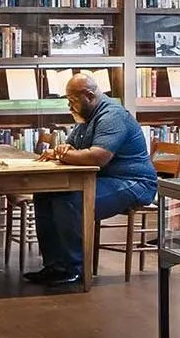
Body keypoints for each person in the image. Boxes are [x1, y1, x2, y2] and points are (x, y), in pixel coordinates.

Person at [25, 73, 158, 286]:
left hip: (133, 182)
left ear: (89, 95)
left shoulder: (112, 115)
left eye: (73, 100)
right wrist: (65, 149)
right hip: (105, 180)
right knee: (44, 194)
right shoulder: (87, 117)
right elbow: (72, 147)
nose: (70, 105)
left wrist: (62, 154)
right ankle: (54, 265)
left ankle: (74, 268)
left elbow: (98, 156)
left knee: (68, 199)